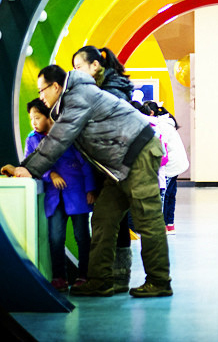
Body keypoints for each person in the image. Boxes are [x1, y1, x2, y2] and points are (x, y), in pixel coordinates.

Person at [13, 65, 172, 298]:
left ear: (55, 87)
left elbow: (58, 139)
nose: (41, 96)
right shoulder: (70, 101)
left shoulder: (78, 97)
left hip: (138, 153)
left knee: (147, 218)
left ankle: (159, 281)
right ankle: (100, 280)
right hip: (117, 165)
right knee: (103, 218)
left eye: (41, 90)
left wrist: (28, 169)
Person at [72, 45, 135, 291]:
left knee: (104, 221)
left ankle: (104, 279)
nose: (76, 73)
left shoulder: (108, 92)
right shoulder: (114, 87)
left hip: (114, 167)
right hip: (119, 165)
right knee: (116, 221)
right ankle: (118, 277)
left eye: (79, 67)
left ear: (95, 65)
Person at [24, 98, 96, 293]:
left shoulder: (67, 135)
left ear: (49, 117)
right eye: (31, 118)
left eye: (37, 117)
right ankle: (59, 278)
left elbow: (85, 162)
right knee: (55, 238)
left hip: (77, 193)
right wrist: (51, 174)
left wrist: (90, 189)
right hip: (54, 197)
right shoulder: (32, 139)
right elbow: (30, 165)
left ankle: (84, 276)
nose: (33, 122)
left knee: (82, 237)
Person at [140, 101, 189, 235]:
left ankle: (162, 226)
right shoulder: (167, 123)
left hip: (170, 164)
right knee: (170, 194)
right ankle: (169, 225)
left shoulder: (161, 126)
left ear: (151, 113)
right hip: (177, 163)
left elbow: (161, 147)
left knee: (164, 195)